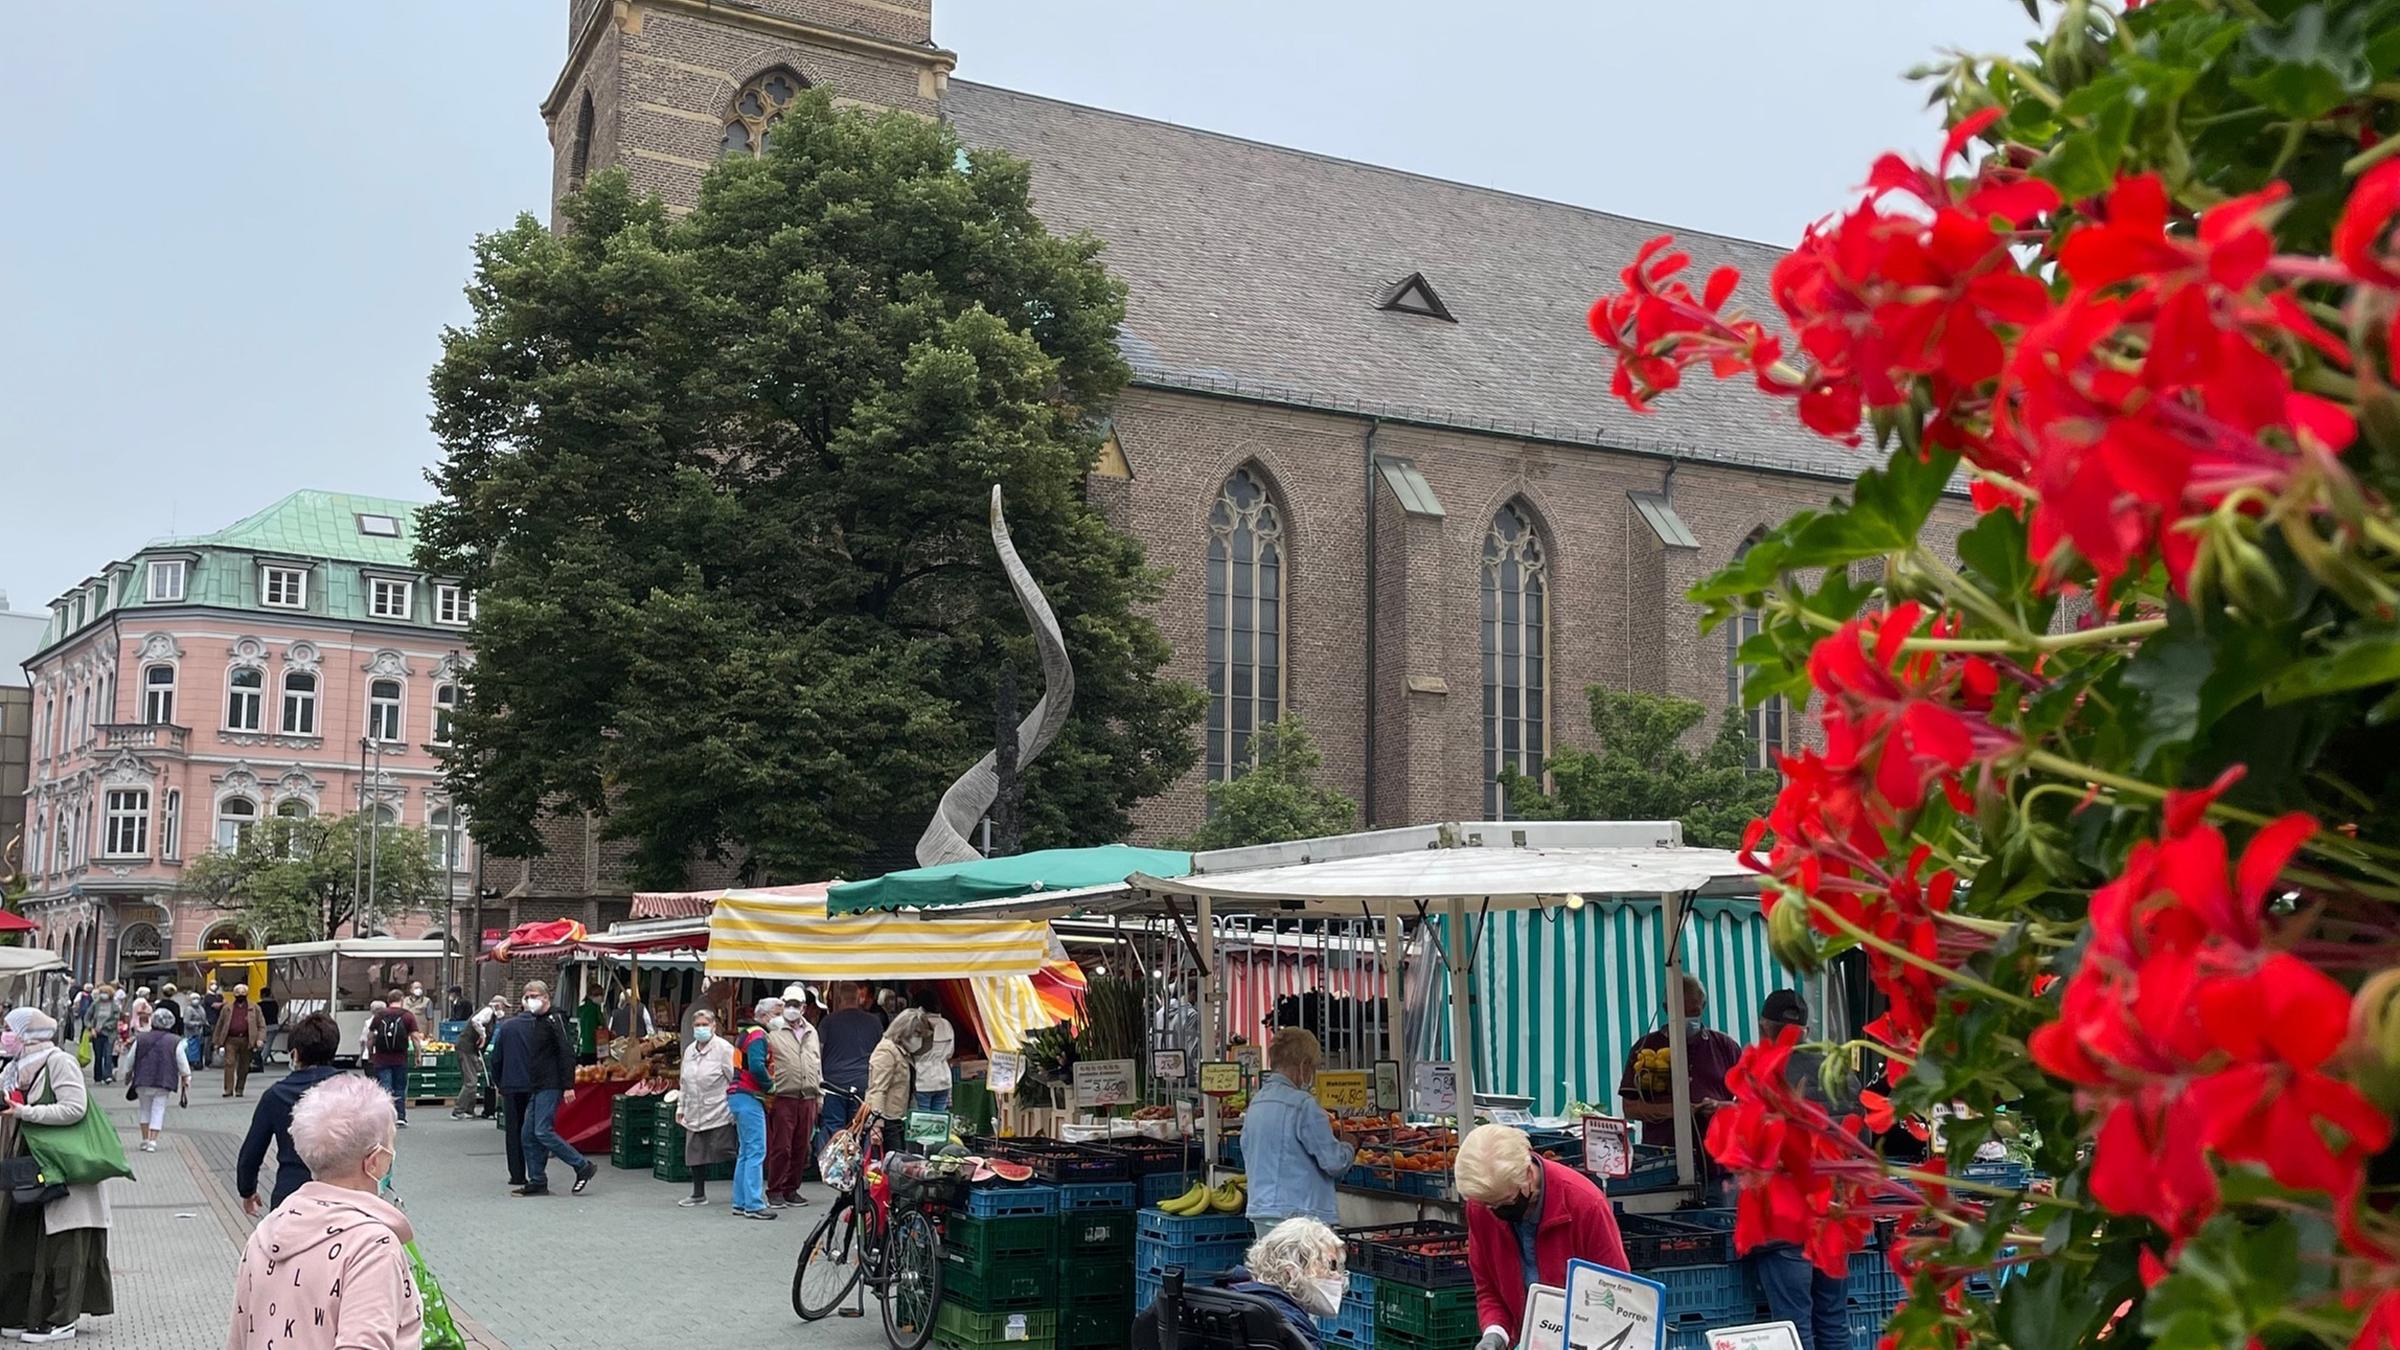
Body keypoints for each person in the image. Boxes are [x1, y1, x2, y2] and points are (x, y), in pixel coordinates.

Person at [226, 1073, 424, 1350]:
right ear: (375, 1162)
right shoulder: (371, 1246)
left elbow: (239, 1339)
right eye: (391, 1147)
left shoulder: (266, 1232)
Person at [1741, 989, 1855, 1350]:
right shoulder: (1842, 1074)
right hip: (1834, 1214)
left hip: (1784, 1222)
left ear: (1764, 1026)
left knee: (1794, 1329)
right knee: (1834, 1324)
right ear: (1806, 1029)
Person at [1455, 1122, 1630, 1350]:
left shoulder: (1585, 1204)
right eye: (1489, 1205)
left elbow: (1617, 1291)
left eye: (1505, 1202)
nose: (1495, 1210)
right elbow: (1488, 1287)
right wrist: (1495, 1333)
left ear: (1527, 1174)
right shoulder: (1481, 1207)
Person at [0, 1008, 115, 1342]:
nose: (5, 1034)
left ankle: (61, 1317)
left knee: (64, 1243)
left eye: (10, 1028)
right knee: (21, 1236)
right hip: (27, 1163)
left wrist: (26, 1111)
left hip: (62, 1166)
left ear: (27, 1033)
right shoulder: (14, 1067)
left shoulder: (58, 1061)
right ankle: (22, 1312)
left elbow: (74, 1107)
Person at [1239, 1027, 1355, 1236]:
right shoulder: (1303, 1105)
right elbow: (1334, 1162)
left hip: (1262, 1210)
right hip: (1300, 1216)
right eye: (1314, 1066)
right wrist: (1349, 1145)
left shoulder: (1256, 1103)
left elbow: (1246, 1149)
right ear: (1304, 1065)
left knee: (1271, 1267)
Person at [488, 979, 594, 1198]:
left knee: (542, 1130)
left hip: (551, 1083)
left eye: (534, 996)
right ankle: (538, 1180)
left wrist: (568, 1085)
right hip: (537, 1084)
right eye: (527, 996)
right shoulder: (538, 1020)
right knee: (527, 1134)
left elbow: (566, 1051)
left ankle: (581, 1165)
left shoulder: (554, 1019)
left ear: (546, 997)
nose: (530, 1000)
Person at [1617, 973, 1744, 1147]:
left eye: (1693, 1012)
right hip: (1663, 1152)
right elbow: (1630, 1108)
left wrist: (1720, 1106)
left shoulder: (1725, 1046)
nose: (1686, 1018)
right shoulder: (1646, 1047)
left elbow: (1751, 1103)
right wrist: (1675, 1110)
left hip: (1718, 1155)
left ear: (1703, 1006)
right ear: (1666, 1008)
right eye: (1680, 1012)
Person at [238, 1012, 344, 1214]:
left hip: (292, 1193)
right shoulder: (355, 1090)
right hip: (344, 1197)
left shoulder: (275, 1095)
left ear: (295, 1054)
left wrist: (247, 1190)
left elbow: (251, 1152)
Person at [1227, 1217, 1351, 1350]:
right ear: (1292, 1269)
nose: (1338, 1276)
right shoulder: (1288, 1324)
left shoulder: (1236, 1295)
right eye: (1330, 1266)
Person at [676, 1008, 738, 1210]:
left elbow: (734, 1079)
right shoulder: (689, 1051)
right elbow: (684, 1082)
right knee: (695, 1153)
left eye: (705, 1024)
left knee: (726, 1151)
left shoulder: (724, 1049)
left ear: (714, 1026)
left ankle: (741, 1192)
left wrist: (735, 1108)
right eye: (697, 1025)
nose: (701, 1028)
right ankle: (698, 1193)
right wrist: (681, 1107)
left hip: (719, 1109)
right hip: (694, 1109)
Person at [765, 994, 821, 1209]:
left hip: (807, 1095)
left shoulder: (811, 1031)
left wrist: (819, 1094)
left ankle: (792, 1188)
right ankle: (775, 1189)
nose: (791, 1008)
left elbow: (817, 1062)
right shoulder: (774, 1031)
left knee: (801, 1145)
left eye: (795, 1005)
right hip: (784, 1095)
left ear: (803, 1008)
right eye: (788, 1004)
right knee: (781, 1146)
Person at [727, 998, 780, 1219]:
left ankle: (740, 1201)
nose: (781, 1016)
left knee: (746, 1152)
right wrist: (771, 1086)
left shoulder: (745, 1033)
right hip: (750, 1095)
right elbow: (757, 1066)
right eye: (778, 1012)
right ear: (766, 1015)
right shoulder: (758, 1035)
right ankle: (754, 1204)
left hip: (737, 1095)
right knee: (757, 1150)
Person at [815, 982, 881, 1156]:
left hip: (833, 1083)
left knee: (833, 1126)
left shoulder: (828, 1022)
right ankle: (859, 1166)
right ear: (859, 997)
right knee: (860, 1127)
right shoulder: (874, 1022)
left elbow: (817, 1052)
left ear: (839, 998)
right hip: (863, 1083)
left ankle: (832, 1165)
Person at [863, 1008, 929, 1156]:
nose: (919, 1039)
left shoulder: (903, 1051)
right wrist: (876, 1125)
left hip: (899, 1117)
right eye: (917, 1034)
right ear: (904, 1031)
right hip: (887, 1120)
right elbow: (877, 1089)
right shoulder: (887, 1051)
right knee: (892, 1164)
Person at [125, 1005, 190, 1153]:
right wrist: (186, 1077)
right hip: (164, 1079)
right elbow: (181, 1061)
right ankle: (153, 1142)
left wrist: (128, 1074)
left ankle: (144, 1139)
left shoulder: (141, 1039)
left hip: (142, 1079)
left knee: (144, 1109)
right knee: (158, 1109)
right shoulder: (175, 1041)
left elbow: (130, 1059)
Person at [366, 990, 419, 1125]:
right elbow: (415, 1038)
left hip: (382, 1058)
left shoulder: (379, 1016)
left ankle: (385, 1117)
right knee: (400, 1087)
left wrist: (370, 1052)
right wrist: (419, 1054)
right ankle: (400, 1116)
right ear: (401, 999)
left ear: (388, 1000)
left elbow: (371, 1036)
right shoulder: (408, 1016)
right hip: (400, 1058)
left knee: (385, 1087)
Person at [214, 983, 266, 1098]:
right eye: (238, 993)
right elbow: (220, 1025)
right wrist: (217, 1042)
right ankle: (228, 1089)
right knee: (229, 1064)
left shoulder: (254, 1008)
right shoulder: (227, 1008)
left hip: (247, 1040)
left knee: (244, 1066)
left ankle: (240, 1089)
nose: (240, 995)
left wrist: (260, 1039)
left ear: (247, 994)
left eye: (243, 993)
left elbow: (261, 1025)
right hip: (230, 1039)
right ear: (234, 994)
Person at [910, 988, 955, 1113]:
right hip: (943, 1078)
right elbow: (950, 1052)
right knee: (939, 1121)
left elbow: (911, 1050)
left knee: (923, 1121)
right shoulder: (946, 1024)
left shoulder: (918, 1025)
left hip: (922, 1080)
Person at [452, 1001, 490, 1120]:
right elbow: (476, 1021)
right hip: (467, 1049)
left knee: (471, 1079)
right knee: (471, 1082)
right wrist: (483, 1036)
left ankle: (469, 1110)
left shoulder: (488, 1013)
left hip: (470, 1049)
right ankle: (458, 1110)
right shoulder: (488, 1011)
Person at [81, 986, 116, 1086]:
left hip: (109, 1034)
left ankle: (107, 1075)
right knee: (98, 1055)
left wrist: (105, 1026)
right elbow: (87, 1017)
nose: (103, 994)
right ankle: (98, 1077)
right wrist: (90, 1027)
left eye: (105, 992)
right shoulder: (96, 1004)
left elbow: (115, 1019)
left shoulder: (114, 1006)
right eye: (102, 992)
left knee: (108, 1054)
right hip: (96, 1034)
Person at [576, 987, 603, 1065]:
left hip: (582, 1047)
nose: (602, 998)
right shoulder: (595, 1009)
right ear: (593, 996)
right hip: (593, 1048)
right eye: (600, 995)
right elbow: (600, 1027)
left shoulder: (581, 1009)